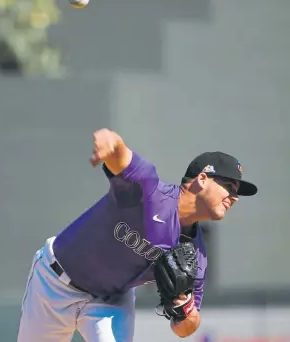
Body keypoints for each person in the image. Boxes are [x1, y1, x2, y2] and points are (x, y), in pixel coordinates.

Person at [17, 128, 258, 342]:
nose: (234, 197)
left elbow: (185, 329)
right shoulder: (147, 191)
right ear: (202, 179)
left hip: (110, 301)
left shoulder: (197, 253)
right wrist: (109, 142)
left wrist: (184, 309)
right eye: (229, 186)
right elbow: (120, 153)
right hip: (55, 281)